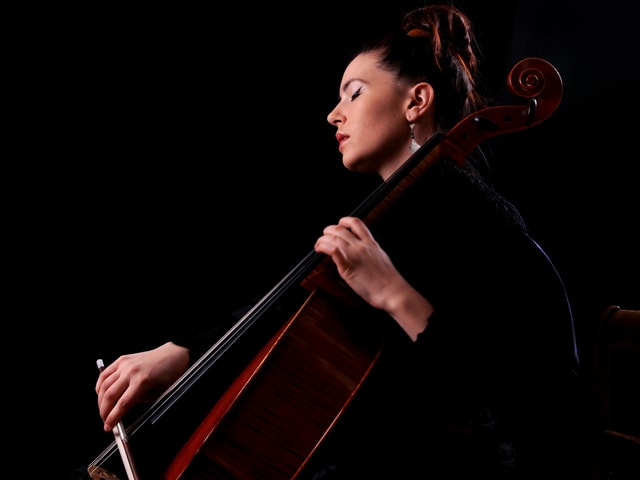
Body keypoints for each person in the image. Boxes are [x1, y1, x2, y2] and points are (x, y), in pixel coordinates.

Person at [94, 4, 582, 478]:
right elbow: (293, 314)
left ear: (416, 101)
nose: (333, 114)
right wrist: (183, 353)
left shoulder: (470, 212)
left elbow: (503, 390)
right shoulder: (395, 214)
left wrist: (392, 293)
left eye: (353, 93)